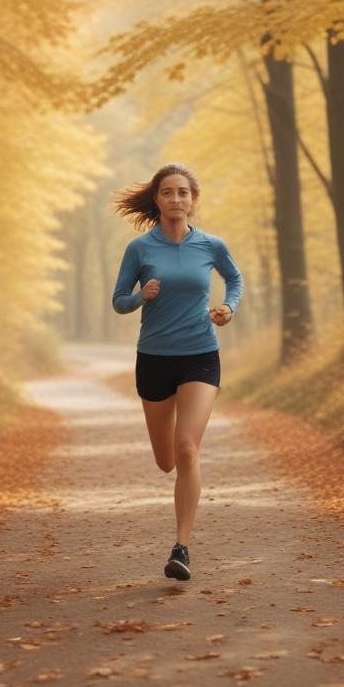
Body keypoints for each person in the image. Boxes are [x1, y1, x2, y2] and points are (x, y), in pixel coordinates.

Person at [112, 162, 243, 582]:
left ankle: (181, 547)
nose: (176, 199)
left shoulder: (210, 245)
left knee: (187, 449)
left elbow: (235, 279)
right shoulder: (140, 249)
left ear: (193, 200)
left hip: (200, 354)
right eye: (168, 192)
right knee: (166, 460)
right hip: (153, 358)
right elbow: (118, 300)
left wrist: (228, 307)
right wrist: (140, 296)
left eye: (183, 192)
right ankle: (172, 465)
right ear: (157, 200)